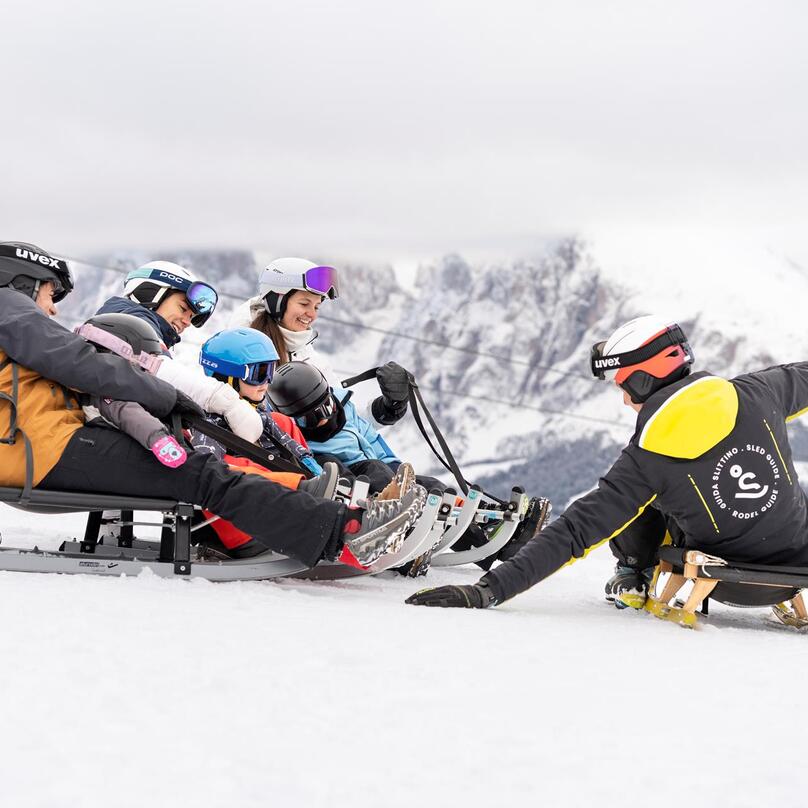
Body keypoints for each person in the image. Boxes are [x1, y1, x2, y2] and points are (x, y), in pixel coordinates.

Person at [0, 241, 427, 571]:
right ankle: (345, 532)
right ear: (21, 279)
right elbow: (79, 363)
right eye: (50, 292)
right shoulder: (8, 305)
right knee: (200, 473)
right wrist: (169, 398)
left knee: (201, 468)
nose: (53, 306)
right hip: (44, 449)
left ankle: (335, 517)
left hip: (43, 445)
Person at [406, 314, 808, 609]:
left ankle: (634, 571)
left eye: (623, 385)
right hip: (797, 568)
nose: (623, 398)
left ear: (642, 381)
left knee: (637, 502)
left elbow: (576, 530)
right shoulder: (761, 392)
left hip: (725, 582)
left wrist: (488, 590)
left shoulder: (646, 460)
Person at [230, 257, 411, 428]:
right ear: (277, 301)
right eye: (304, 303)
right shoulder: (236, 351)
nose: (312, 314)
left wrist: (388, 409)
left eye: (316, 306)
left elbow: (345, 420)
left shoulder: (311, 360)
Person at [98, 260, 262, 443]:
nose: (186, 321)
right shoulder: (127, 321)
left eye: (191, 317)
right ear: (150, 293)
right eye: (183, 309)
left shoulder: (136, 327)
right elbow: (158, 370)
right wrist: (229, 404)